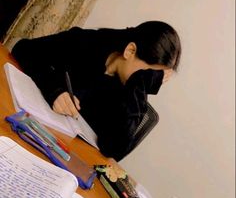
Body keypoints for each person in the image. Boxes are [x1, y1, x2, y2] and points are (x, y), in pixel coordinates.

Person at [11, 21, 181, 161]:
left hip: (63, 154)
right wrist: (54, 90)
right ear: (130, 51)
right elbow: (25, 49)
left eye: (153, 79)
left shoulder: (133, 97)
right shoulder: (88, 43)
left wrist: (138, 85)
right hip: (26, 126)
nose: (147, 83)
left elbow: (114, 150)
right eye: (148, 74)